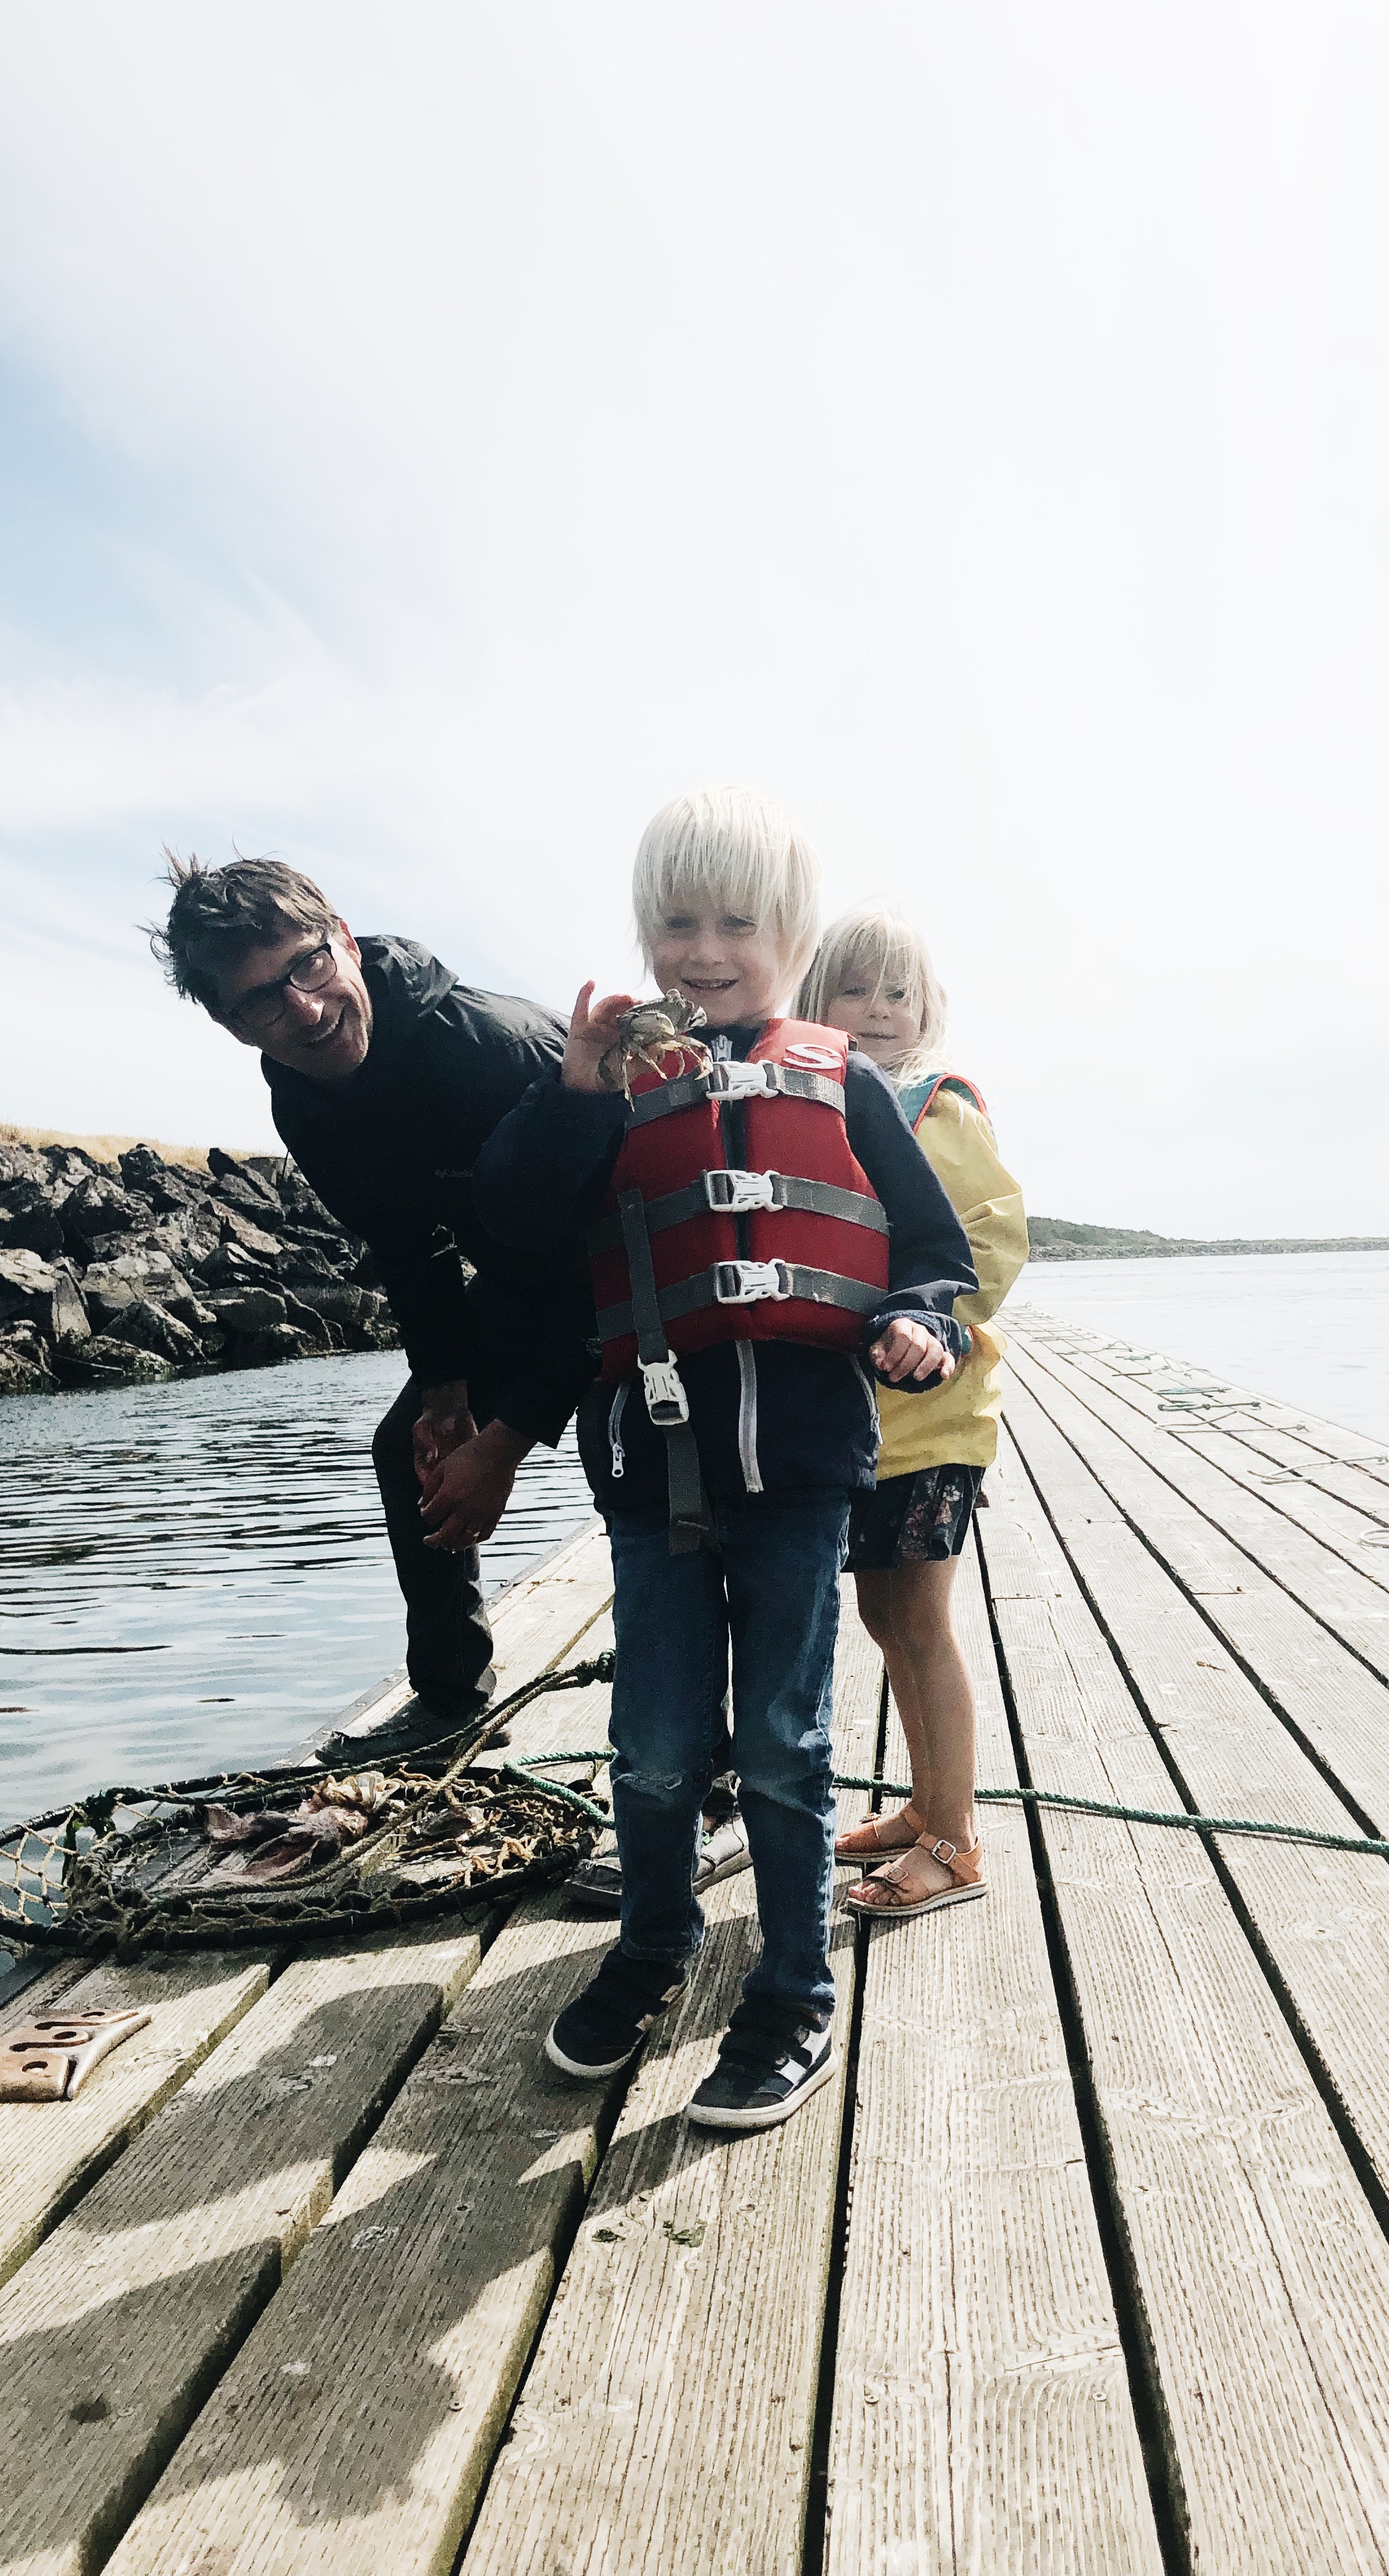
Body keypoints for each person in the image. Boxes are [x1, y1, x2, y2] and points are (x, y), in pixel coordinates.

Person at [474, 786, 975, 2131]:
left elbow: (933, 1256)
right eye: (675, 923)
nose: (702, 949)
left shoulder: (847, 1081)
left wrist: (919, 1323)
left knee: (784, 1749)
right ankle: (654, 1944)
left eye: (734, 923)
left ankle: (795, 1987)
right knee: (650, 1751)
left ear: (787, 935)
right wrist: (577, 1095)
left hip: (803, 1474)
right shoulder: (610, 1083)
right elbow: (519, 1225)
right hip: (650, 1475)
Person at [150, 855, 599, 1763]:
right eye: (261, 1002)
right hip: (526, 1270)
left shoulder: (483, 1047)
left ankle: (714, 1766)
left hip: (651, 1257)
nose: (305, 1011)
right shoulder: (303, 1097)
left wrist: (504, 1446)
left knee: (650, 1471)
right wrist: (447, 1400)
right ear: (228, 1025)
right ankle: (448, 1706)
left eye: (307, 966)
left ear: (345, 938)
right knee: (409, 1446)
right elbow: (409, 1243)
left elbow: (592, 1272)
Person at [796, 907, 1027, 1917]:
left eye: (900, 993)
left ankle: (958, 1841)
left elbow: (993, 1240)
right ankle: (926, 1807)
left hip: (934, 1422)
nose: (881, 1010)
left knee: (921, 1621)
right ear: (815, 1002)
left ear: (927, 1008)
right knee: (884, 1614)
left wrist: (939, 1328)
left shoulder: (940, 1108)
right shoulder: (817, 1099)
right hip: (863, 1427)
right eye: (857, 991)